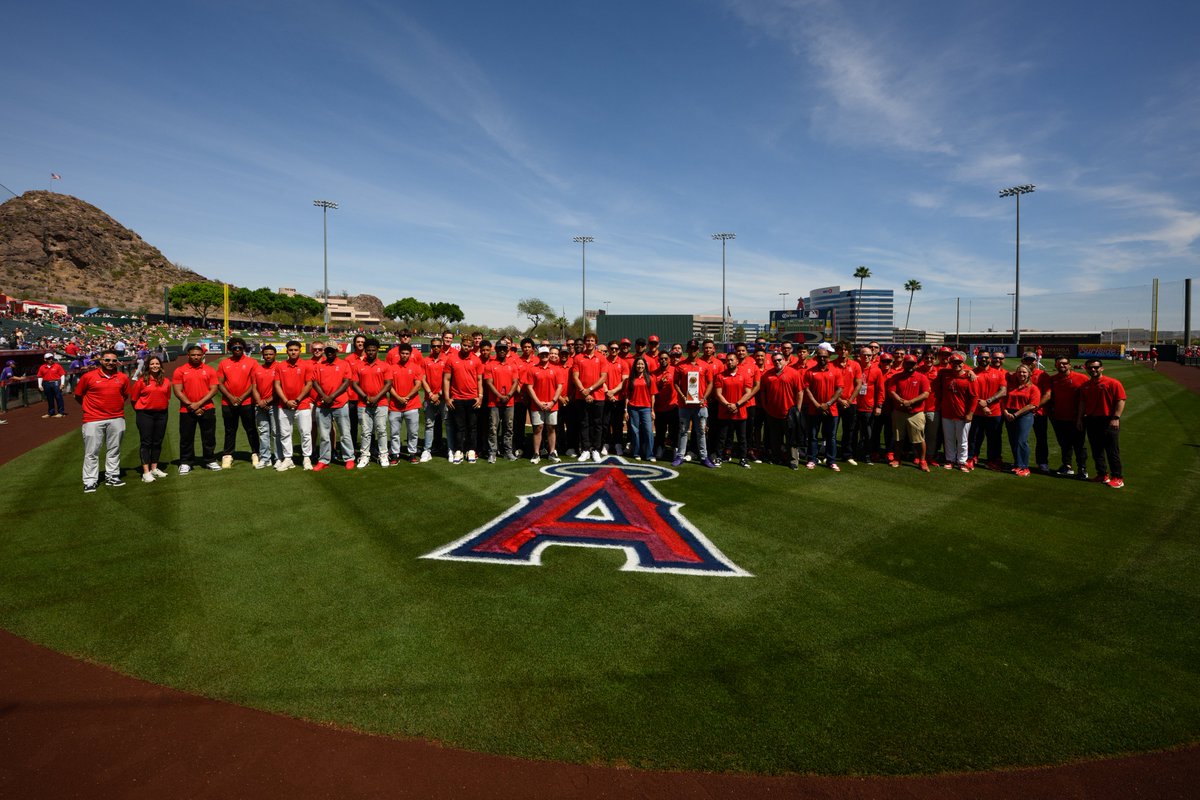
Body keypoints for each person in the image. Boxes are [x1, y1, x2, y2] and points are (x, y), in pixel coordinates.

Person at [74, 349, 131, 492]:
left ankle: (112, 476)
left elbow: (124, 395)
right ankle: (90, 481)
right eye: (107, 360)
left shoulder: (122, 377)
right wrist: (91, 408)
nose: (110, 363)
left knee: (114, 449)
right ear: (101, 361)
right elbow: (78, 396)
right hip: (93, 419)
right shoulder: (88, 376)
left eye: (113, 360)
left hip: (116, 417)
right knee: (92, 452)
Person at [1077, 358, 1126, 489]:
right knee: (1096, 449)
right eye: (1090, 368)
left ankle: (1117, 477)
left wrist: (1116, 417)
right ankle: (1102, 474)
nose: (1093, 369)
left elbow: (1120, 400)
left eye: (1096, 367)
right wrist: (1079, 419)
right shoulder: (1085, 386)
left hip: (1108, 419)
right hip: (1092, 420)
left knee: (1112, 450)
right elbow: (1082, 403)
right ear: (1086, 369)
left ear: (1101, 368)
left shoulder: (1113, 383)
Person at [172, 344, 221, 474]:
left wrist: (198, 404)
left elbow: (214, 389)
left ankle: (210, 460)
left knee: (209, 436)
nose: (196, 357)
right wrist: (191, 405)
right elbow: (177, 391)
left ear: (202, 355)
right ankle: (186, 462)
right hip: (187, 410)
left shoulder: (209, 369)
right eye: (193, 355)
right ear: (188, 355)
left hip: (207, 408)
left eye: (198, 355)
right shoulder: (180, 370)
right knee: (186, 437)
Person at [216, 337, 260, 469]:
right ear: (230, 349)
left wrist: (241, 397)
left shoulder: (252, 362)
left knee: (251, 429)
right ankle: (228, 455)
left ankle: (255, 453)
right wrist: (230, 397)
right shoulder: (224, 363)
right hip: (228, 402)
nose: (237, 350)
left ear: (243, 348)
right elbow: (219, 382)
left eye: (240, 347)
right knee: (230, 430)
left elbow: (254, 383)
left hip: (247, 402)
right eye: (234, 348)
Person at [349, 338, 392, 468]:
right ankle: (364, 455)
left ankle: (383, 454)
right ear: (365, 351)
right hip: (363, 404)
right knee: (366, 432)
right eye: (368, 350)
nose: (371, 352)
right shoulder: (359, 366)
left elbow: (388, 384)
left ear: (377, 350)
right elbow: (354, 384)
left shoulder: (384, 365)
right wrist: (365, 397)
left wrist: (376, 397)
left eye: (373, 350)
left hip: (381, 403)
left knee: (381, 430)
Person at [672, 340, 716, 468]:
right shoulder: (680, 365)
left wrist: (704, 397)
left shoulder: (705, 365)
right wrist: (681, 395)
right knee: (683, 431)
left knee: (701, 432)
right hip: (684, 405)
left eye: (695, 349)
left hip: (701, 406)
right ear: (687, 350)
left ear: (698, 350)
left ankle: (704, 457)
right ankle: (680, 456)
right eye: (690, 349)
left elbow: (710, 383)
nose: (692, 351)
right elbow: (675, 382)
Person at [1043, 357, 1089, 479]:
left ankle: (1082, 468)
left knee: (1079, 444)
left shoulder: (1082, 378)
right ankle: (1067, 466)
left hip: (1076, 418)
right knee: (1064, 444)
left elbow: (1087, 397)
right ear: (1056, 365)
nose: (1062, 366)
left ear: (1070, 365)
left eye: (1064, 363)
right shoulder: (1053, 379)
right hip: (1059, 417)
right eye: (1059, 364)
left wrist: (1083, 415)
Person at [273, 341, 315, 471]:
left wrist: (297, 399)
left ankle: (306, 458)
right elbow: (277, 385)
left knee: (305, 433)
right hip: (284, 406)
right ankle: (288, 458)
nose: (293, 352)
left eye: (295, 350)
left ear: (300, 351)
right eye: (290, 350)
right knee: (285, 433)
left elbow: (309, 384)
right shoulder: (280, 366)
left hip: (302, 404)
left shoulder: (306, 365)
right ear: (286, 351)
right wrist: (286, 401)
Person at [311, 345, 355, 470]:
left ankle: (349, 458)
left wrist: (332, 396)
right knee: (324, 435)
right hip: (323, 404)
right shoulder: (320, 365)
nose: (329, 352)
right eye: (328, 350)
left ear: (337, 351)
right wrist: (324, 396)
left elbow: (346, 382)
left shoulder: (344, 364)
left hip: (340, 403)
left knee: (345, 432)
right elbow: (315, 382)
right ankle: (324, 460)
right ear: (325, 351)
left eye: (332, 350)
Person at [131, 354, 171, 483]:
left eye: (157, 364)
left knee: (158, 441)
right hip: (145, 414)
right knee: (146, 442)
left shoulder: (165, 381)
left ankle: (154, 468)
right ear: (148, 366)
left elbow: (167, 396)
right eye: (152, 364)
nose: (155, 366)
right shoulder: (141, 381)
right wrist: (142, 409)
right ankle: (146, 472)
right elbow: (133, 399)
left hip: (162, 414)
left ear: (161, 366)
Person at [443, 333, 483, 464]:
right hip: (457, 398)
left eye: (469, 346)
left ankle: (471, 450)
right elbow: (447, 379)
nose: (466, 347)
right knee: (460, 427)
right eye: (464, 345)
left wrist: (480, 396)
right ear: (461, 345)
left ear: (472, 347)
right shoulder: (452, 359)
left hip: (472, 398)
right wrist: (447, 397)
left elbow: (479, 380)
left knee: (472, 426)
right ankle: (459, 450)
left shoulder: (476, 360)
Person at [887, 355, 931, 471]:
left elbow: (926, 394)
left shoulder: (922, 377)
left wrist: (910, 402)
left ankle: (922, 460)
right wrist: (901, 401)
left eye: (912, 363)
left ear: (916, 365)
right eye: (908, 363)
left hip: (916, 413)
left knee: (919, 439)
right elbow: (892, 391)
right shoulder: (897, 377)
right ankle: (897, 459)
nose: (910, 365)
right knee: (898, 438)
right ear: (904, 364)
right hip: (899, 411)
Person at [571, 333, 607, 462]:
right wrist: (583, 391)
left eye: (592, 340)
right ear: (585, 342)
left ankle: (596, 450)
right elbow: (575, 377)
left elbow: (603, 377)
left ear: (595, 342)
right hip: (582, 397)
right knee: (584, 423)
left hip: (598, 396)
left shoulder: (602, 357)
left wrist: (590, 390)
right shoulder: (578, 357)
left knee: (597, 424)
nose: (590, 342)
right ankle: (586, 449)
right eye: (588, 340)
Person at [939, 353, 978, 472]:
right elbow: (939, 368)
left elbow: (974, 397)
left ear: (963, 363)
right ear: (950, 364)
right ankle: (950, 460)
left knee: (962, 440)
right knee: (949, 438)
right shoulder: (946, 374)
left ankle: (962, 461)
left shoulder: (969, 378)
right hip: (947, 413)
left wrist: (970, 413)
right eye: (954, 363)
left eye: (959, 363)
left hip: (962, 414)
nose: (956, 365)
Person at [525, 346, 564, 464]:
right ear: (539, 355)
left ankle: (552, 452)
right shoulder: (533, 369)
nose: (545, 356)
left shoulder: (556, 369)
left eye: (546, 354)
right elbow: (529, 387)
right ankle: (536, 453)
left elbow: (560, 386)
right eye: (542, 354)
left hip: (552, 404)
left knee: (551, 428)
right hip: (537, 405)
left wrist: (552, 402)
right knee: (538, 428)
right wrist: (538, 402)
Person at [714, 352, 753, 468]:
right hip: (725, 412)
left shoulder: (745, 375)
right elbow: (718, 393)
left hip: (740, 412)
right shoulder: (720, 376)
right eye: (728, 360)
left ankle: (743, 458)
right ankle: (719, 457)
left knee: (742, 438)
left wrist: (736, 404)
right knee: (722, 437)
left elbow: (748, 393)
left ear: (737, 361)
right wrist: (728, 405)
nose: (729, 362)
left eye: (732, 360)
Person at [388, 343, 426, 464]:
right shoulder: (392, 368)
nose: (404, 355)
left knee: (413, 432)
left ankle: (412, 453)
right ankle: (395, 454)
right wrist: (398, 397)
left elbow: (418, 384)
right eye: (402, 353)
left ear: (410, 355)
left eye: (407, 354)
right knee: (394, 433)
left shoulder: (415, 367)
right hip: (395, 405)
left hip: (412, 405)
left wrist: (407, 397)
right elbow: (389, 386)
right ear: (399, 354)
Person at [484, 342, 520, 462]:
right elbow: (489, 383)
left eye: (504, 348)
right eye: (500, 348)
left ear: (507, 349)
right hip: (494, 402)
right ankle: (492, 452)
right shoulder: (490, 364)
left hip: (509, 402)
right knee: (493, 428)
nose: (502, 351)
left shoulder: (512, 364)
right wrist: (499, 395)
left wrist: (509, 395)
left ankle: (507, 451)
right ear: (496, 350)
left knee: (508, 428)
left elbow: (515, 382)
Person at [1003, 364, 1041, 476]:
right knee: (1013, 441)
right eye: (1019, 372)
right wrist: (1006, 412)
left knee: (1021, 441)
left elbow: (1033, 405)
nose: (1021, 374)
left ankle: (1024, 467)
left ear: (1029, 374)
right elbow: (1003, 400)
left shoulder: (1033, 388)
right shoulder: (1011, 386)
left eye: (1024, 372)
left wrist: (1015, 414)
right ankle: (1017, 464)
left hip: (1024, 415)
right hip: (1010, 414)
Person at [250, 344, 280, 470]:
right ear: (262, 355)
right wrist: (260, 402)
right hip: (260, 406)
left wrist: (267, 401)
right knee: (263, 433)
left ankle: (279, 458)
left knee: (276, 433)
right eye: (266, 354)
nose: (268, 356)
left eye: (270, 354)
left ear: (275, 355)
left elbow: (280, 388)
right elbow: (254, 388)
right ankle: (265, 458)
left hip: (275, 405)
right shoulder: (257, 369)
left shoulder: (279, 367)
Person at [625, 356, 655, 461]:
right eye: (638, 364)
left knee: (648, 431)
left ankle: (649, 454)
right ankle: (636, 453)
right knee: (635, 431)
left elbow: (652, 395)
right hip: (633, 408)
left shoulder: (649, 378)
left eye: (642, 364)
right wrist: (625, 410)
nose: (640, 366)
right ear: (635, 366)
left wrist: (652, 410)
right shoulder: (631, 379)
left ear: (645, 366)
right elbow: (627, 396)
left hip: (646, 408)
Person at [38, 354, 67, 418]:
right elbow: (40, 376)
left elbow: (62, 375)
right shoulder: (42, 367)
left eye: (51, 358)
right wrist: (39, 385)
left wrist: (62, 384)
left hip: (56, 382)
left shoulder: (57, 366)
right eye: (49, 359)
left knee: (58, 397)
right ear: (45, 359)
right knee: (49, 398)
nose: (51, 360)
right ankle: (51, 412)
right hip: (46, 383)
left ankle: (61, 412)